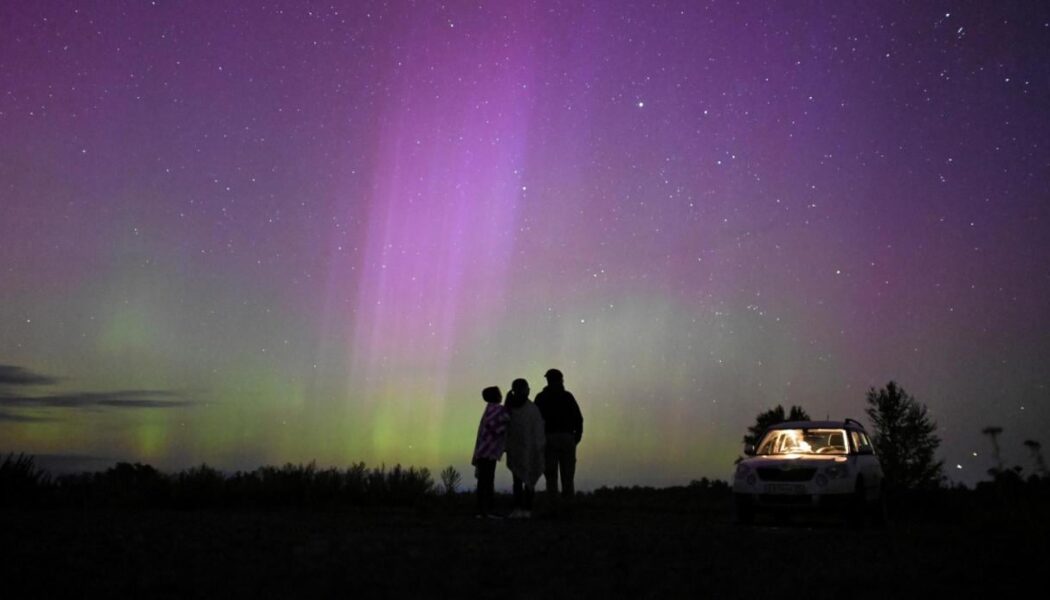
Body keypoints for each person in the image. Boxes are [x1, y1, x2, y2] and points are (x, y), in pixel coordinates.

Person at [534, 368, 583, 503]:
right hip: (567, 438)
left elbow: (535, 420)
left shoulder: (541, 397)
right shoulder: (567, 396)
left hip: (548, 439)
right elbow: (578, 418)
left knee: (551, 477)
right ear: (561, 379)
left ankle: (553, 508)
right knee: (567, 477)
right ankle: (567, 509)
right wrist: (576, 437)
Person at [503, 378, 545, 518]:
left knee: (519, 481)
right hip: (525, 449)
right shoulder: (527, 408)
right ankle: (525, 509)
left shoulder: (510, 408)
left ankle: (520, 509)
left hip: (521, 449)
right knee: (525, 480)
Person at [471, 386, 509, 518]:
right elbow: (504, 424)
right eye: (499, 393)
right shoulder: (497, 409)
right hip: (489, 451)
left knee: (483, 481)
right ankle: (487, 511)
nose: (501, 395)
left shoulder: (488, 410)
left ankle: (483, 510)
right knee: (487, 480)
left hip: (482, 450)